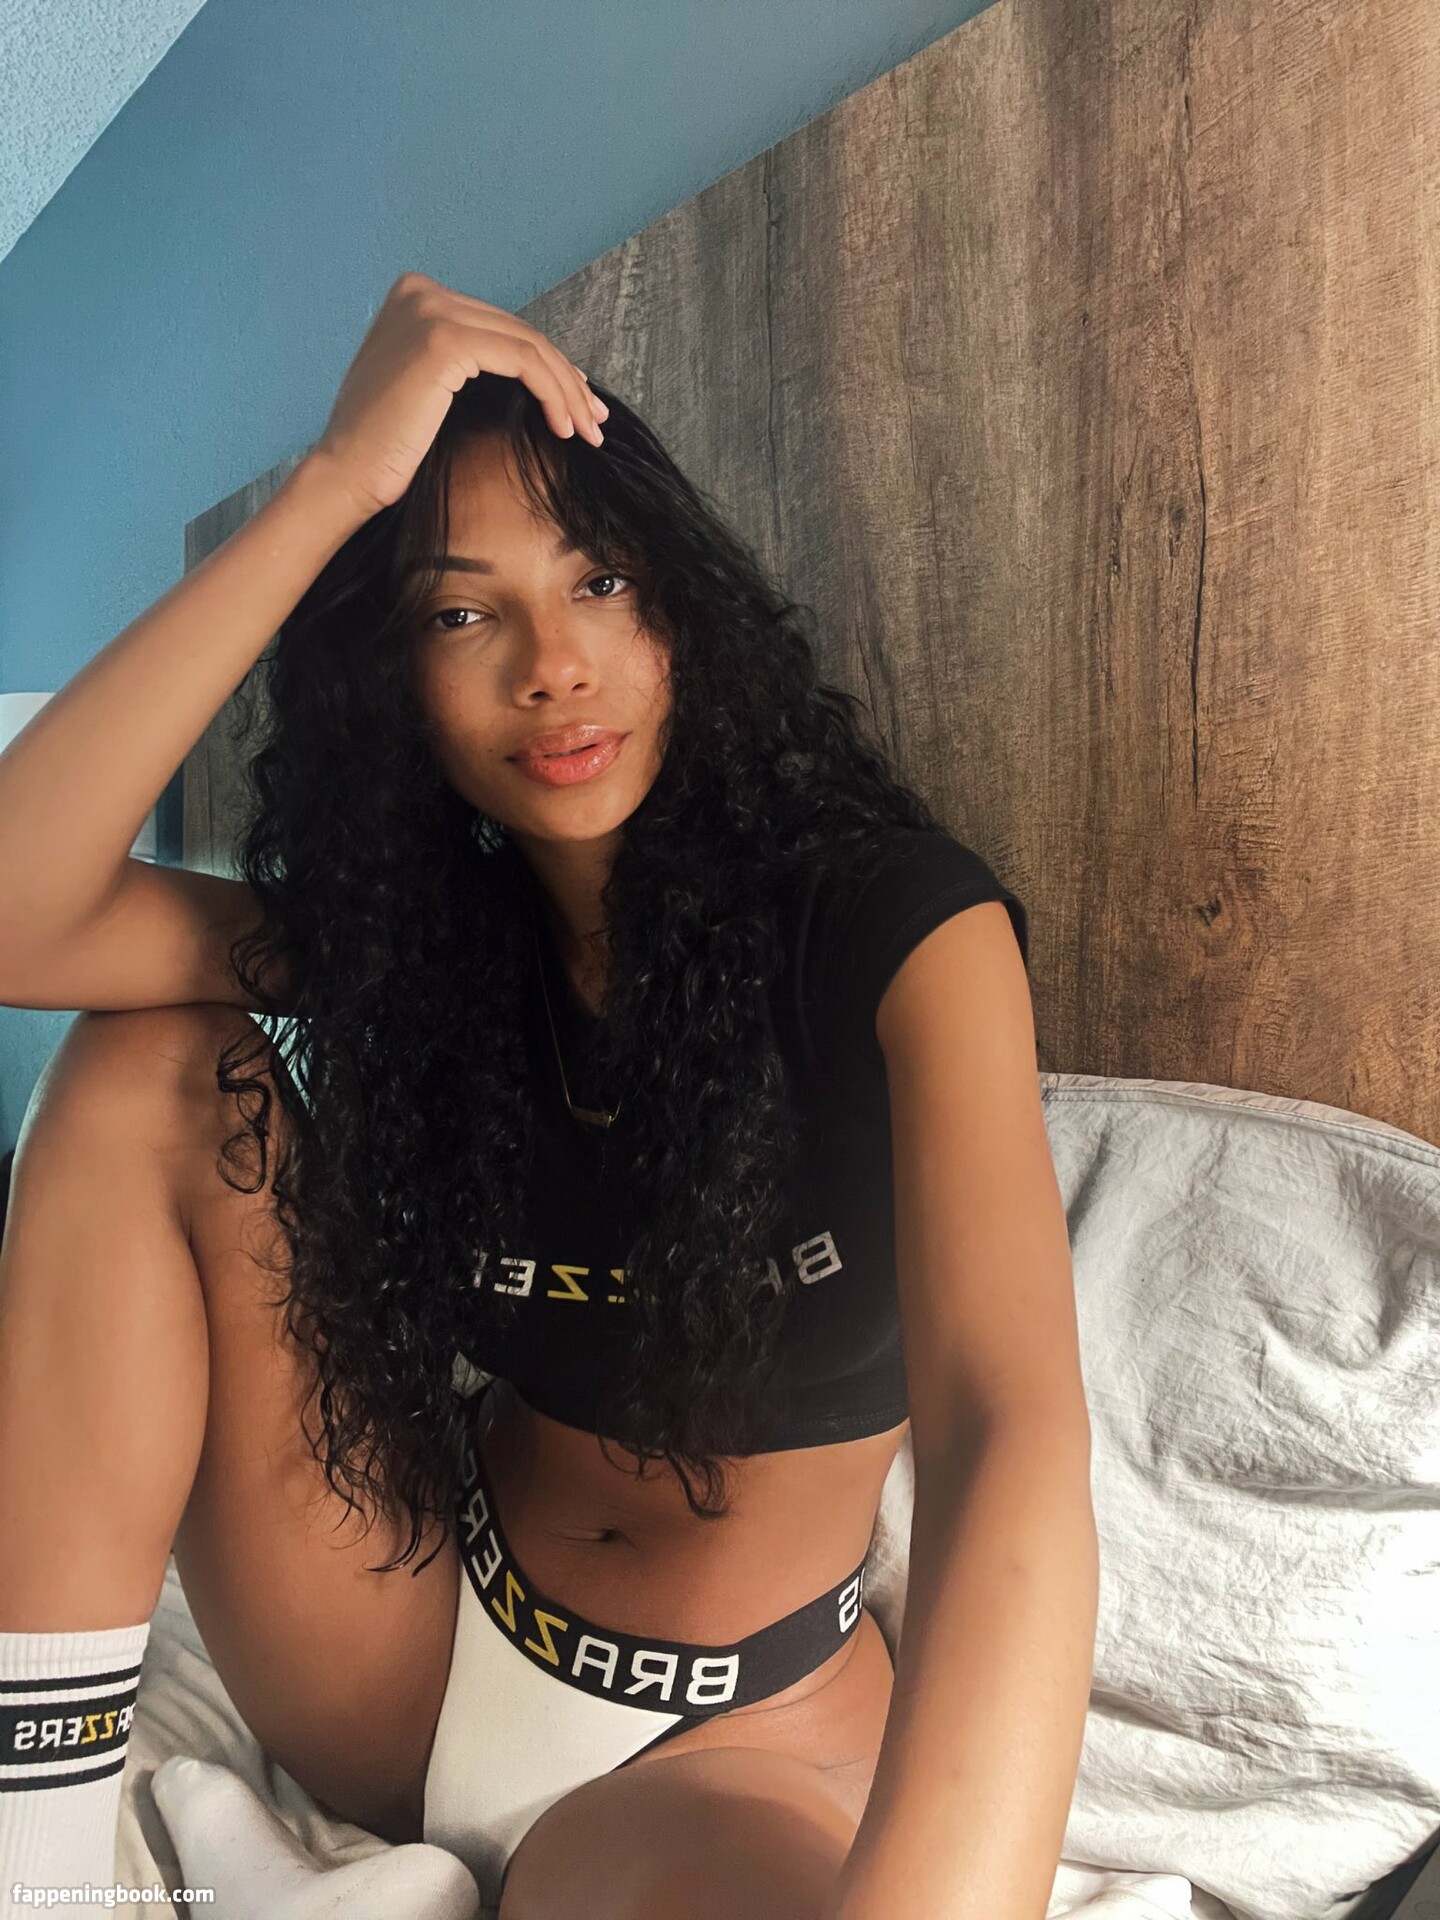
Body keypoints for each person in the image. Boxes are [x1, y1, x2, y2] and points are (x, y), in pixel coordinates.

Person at [0, 272, 1093, 1919]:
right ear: (397, 677)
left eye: (600, 579)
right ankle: (30, 1878)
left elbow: (1011, 1433)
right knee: (146, 1063)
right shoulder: (427, 942)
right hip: (409, 1623)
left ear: (686, 610)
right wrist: (334, 487)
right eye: (462, 614)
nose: (553, 666)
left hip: (721, 1743)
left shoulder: (895, 932)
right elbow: (20, 913)